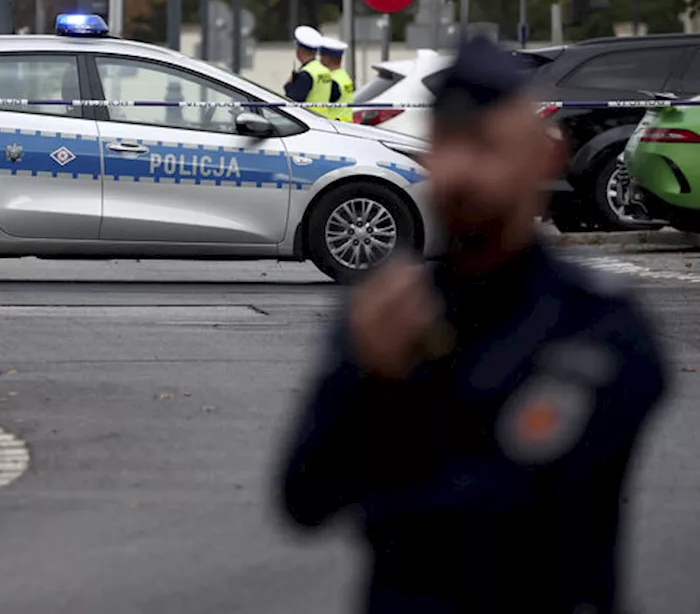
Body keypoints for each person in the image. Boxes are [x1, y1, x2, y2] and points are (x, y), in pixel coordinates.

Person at [277, 34, 669, 614]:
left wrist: (399, 391)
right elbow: (303, 500)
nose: (461, 169)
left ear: (543, 159)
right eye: (449, 144)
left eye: (486, 146)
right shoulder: (387, 312)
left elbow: (525, 510)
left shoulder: (597, 323)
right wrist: (365, 377)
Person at [283, 25, 333, 117]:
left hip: (310, 120)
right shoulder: (324, 70)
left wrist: (289, 85)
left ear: (299, 50)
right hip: (325, 119)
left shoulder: (306, 74)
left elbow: (292, 100)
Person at [319, 37, 354, 122]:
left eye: (322, 56)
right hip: (346, 123)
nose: (319, 59)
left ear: (327, 58)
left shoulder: (331, 80)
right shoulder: (344, 76)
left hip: (334, 124)